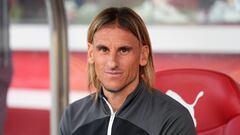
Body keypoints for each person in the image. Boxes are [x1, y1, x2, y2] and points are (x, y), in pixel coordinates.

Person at [60, 7, 196, 135]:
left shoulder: (173, 119)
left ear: (143, 55)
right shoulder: (72, 116)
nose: (113, 62)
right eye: (103, 49)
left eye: (123, 50)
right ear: (91, 54)